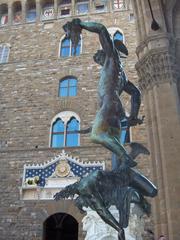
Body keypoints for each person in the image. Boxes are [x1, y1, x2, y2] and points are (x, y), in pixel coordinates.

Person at [63, 18, 143, 170]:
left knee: (96, 136)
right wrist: (133, 116)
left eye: (98, 57)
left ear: (104, 54)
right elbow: (136, 93)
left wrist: (81, 25)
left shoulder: (111, 58)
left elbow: (101, 28)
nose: (98, 61)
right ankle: (127, 161)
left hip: (109, 102)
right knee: (114, 146)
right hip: (114, 107)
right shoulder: (122, 75)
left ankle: (127, 158)